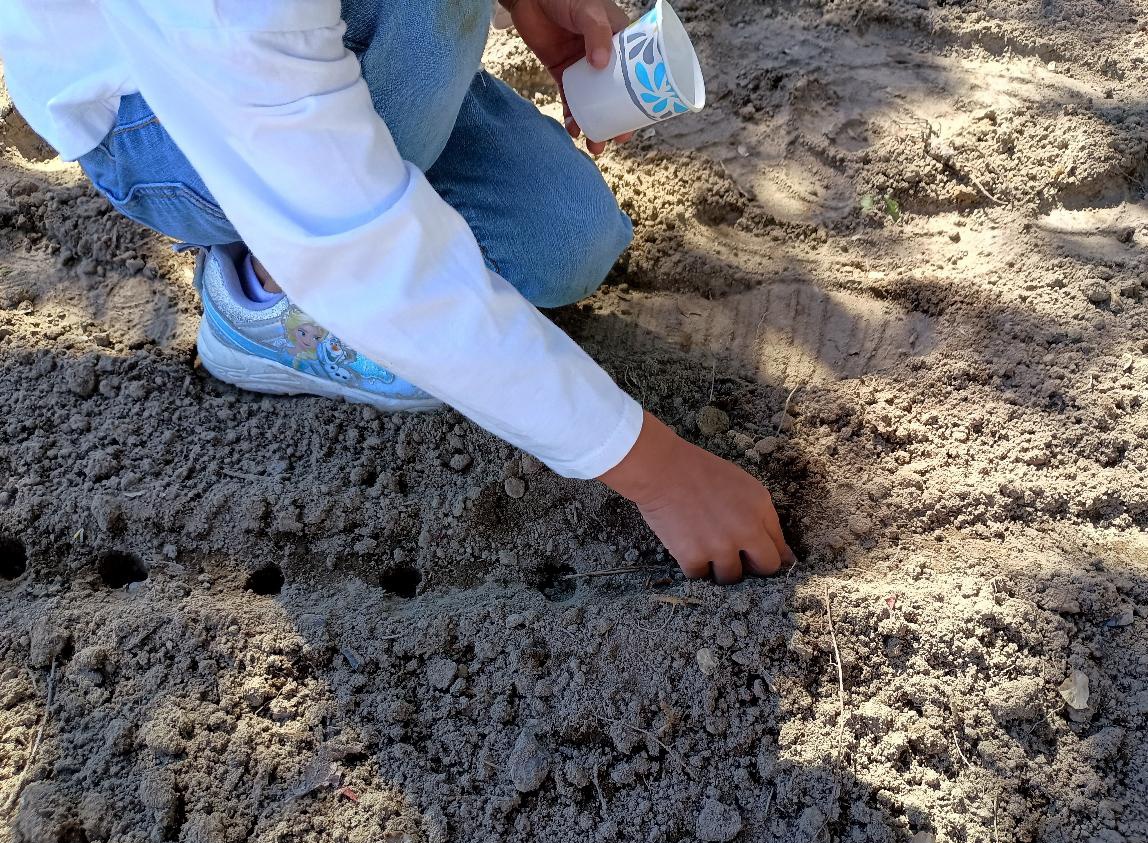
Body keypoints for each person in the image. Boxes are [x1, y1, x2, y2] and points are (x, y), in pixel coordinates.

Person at [0, 0, 794, 583]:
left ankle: (359, 148)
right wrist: (661, 474)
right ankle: (269, 296)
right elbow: (368, 257)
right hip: (154, 119)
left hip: (315, 46)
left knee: (564, 244)